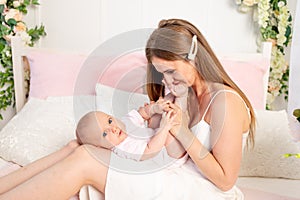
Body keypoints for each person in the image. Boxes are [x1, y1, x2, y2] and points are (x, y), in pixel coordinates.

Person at [0, 18, 255, 200]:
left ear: (193, 57)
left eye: (170, 71)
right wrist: (152, 116)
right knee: (80, 149)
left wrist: (181, 130)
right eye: (160, 73)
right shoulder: (178, 92)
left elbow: (225, 180)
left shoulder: (224, 102)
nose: (165, 81)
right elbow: (148, 142)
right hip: (164, 172)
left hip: (198, 189)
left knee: (86, 159)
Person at [75, 99, 187, 162]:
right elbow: (150, 150)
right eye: (105, 133)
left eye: (109, 121)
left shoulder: (123, 123)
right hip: (168, 155)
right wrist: (164, 128)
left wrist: (154, 109)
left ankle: (180, 101)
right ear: (100, 147)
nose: (113, 128)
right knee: (171, 123)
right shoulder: (124, 148)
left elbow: (143, 113)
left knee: (159, 109)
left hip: (157, 135)